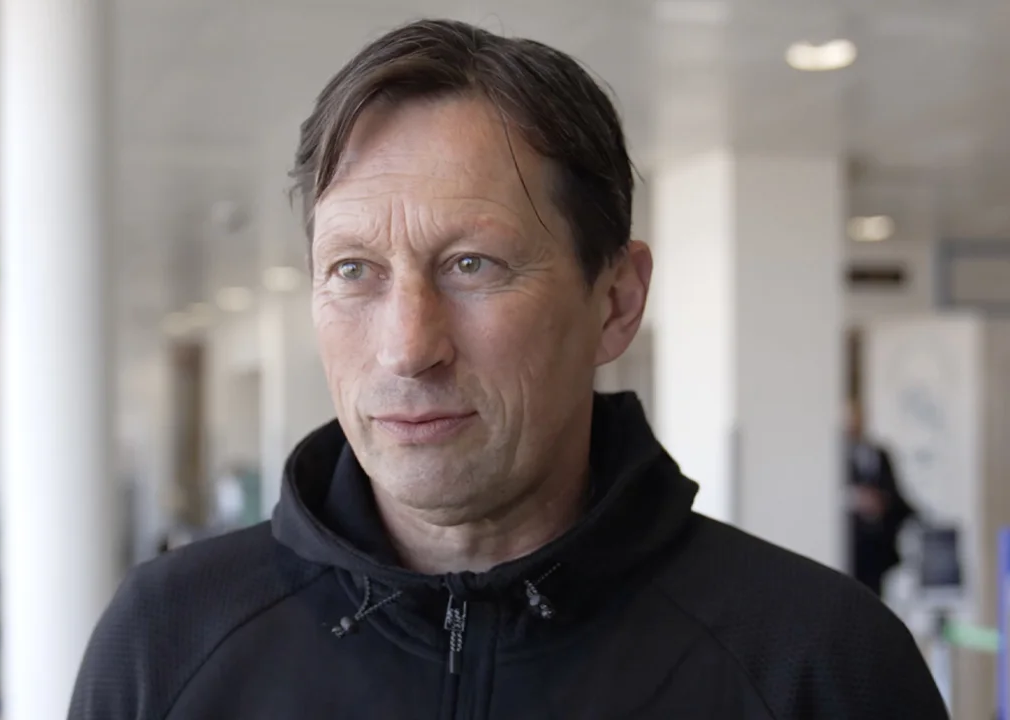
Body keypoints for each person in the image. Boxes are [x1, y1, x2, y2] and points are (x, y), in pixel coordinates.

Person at [71, 19, 946, 719]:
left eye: (472, 265)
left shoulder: (816, 665)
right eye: (354, 270)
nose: (408, 347)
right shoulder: (169, 642)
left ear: (616, 301)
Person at [845, 398, 916, 597]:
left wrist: (881, 502)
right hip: (852, 547)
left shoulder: (879, 454)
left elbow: (896, 494)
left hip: (878, 549)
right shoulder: (832, 456)